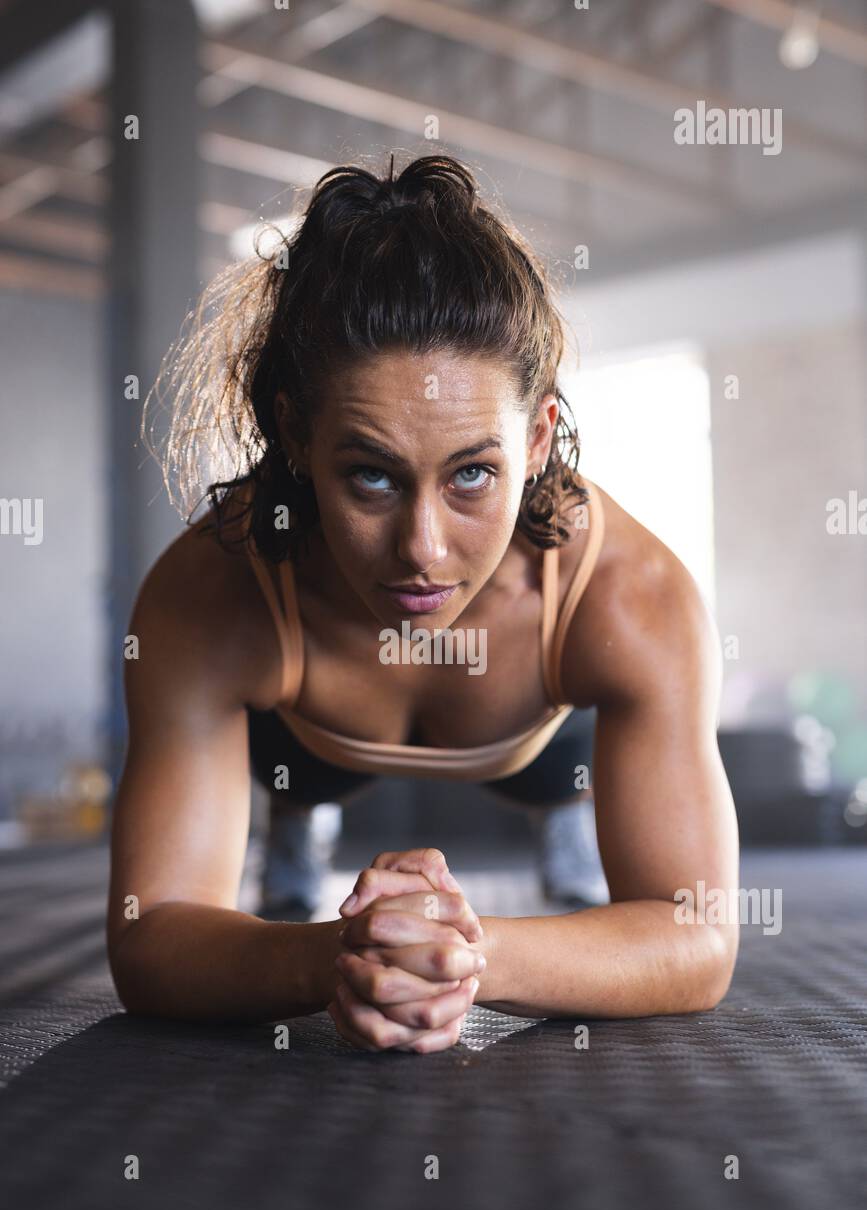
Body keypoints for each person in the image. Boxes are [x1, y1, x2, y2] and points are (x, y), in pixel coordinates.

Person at [107, 154, 739, 1052]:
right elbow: (148, 934)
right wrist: (334, 955)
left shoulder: (629, 598)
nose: (423, 551)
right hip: (306, 742)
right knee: (298, 780)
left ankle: (564, 823)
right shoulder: (207, 594)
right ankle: (296, 816)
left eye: (473, 474)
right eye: (370, 476)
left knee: (567, 776)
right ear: (294, 434)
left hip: (540, 743)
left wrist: (456, 953)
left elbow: (698, 936)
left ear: (538, 437)